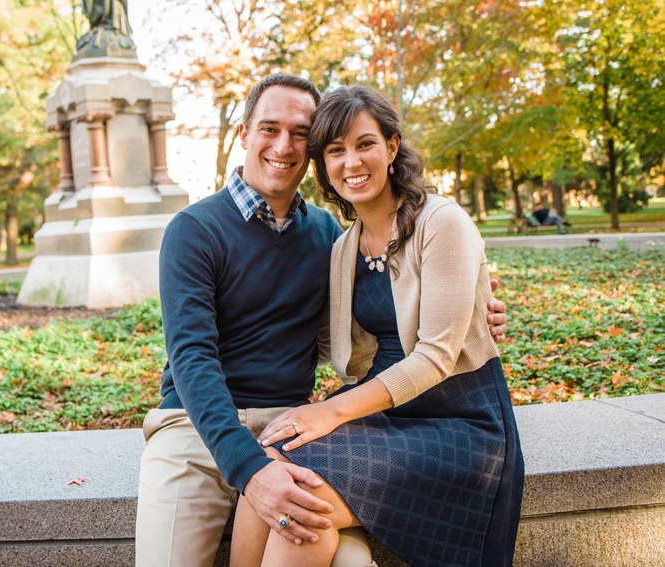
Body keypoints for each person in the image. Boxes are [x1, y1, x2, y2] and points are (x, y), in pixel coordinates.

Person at [136, 75, 510, 567]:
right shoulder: (195, 230)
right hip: (196, 427)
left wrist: (474, 313)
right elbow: (191, 358)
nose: (283, 146)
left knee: (325, 541)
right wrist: (249, 467)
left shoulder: (326, 235)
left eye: (299, 134)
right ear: (245, 133)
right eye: (270, 129)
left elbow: (383, 327)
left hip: (298, 420)